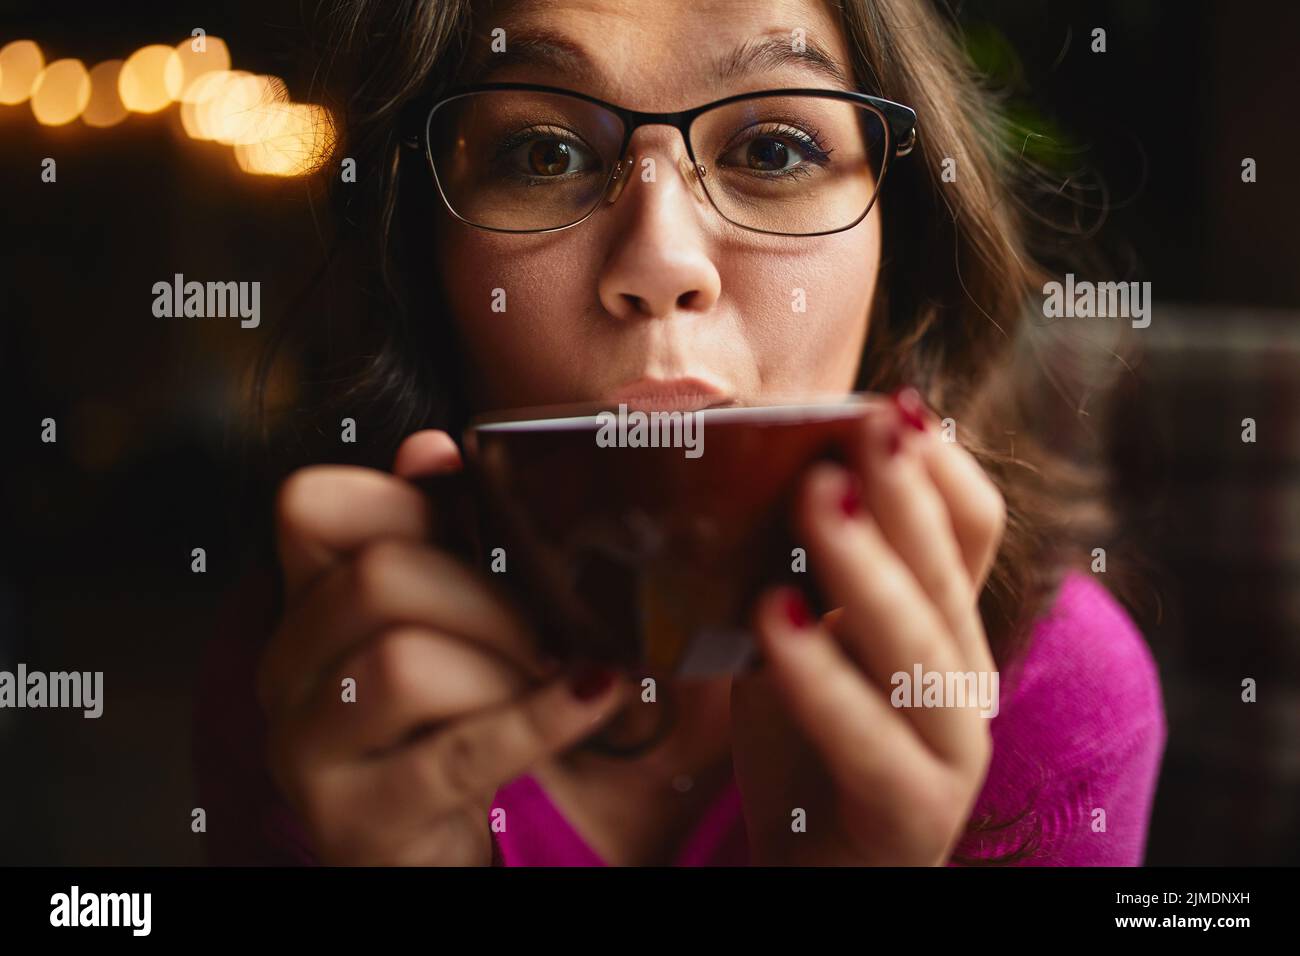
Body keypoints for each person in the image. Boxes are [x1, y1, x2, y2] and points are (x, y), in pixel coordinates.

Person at [195, 0, 1166, 866]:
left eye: (773, 149)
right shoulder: (329, 668)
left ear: (898, 250)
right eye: (544, 152)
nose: (659, 260)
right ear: (422, 257)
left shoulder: (1045, 688)